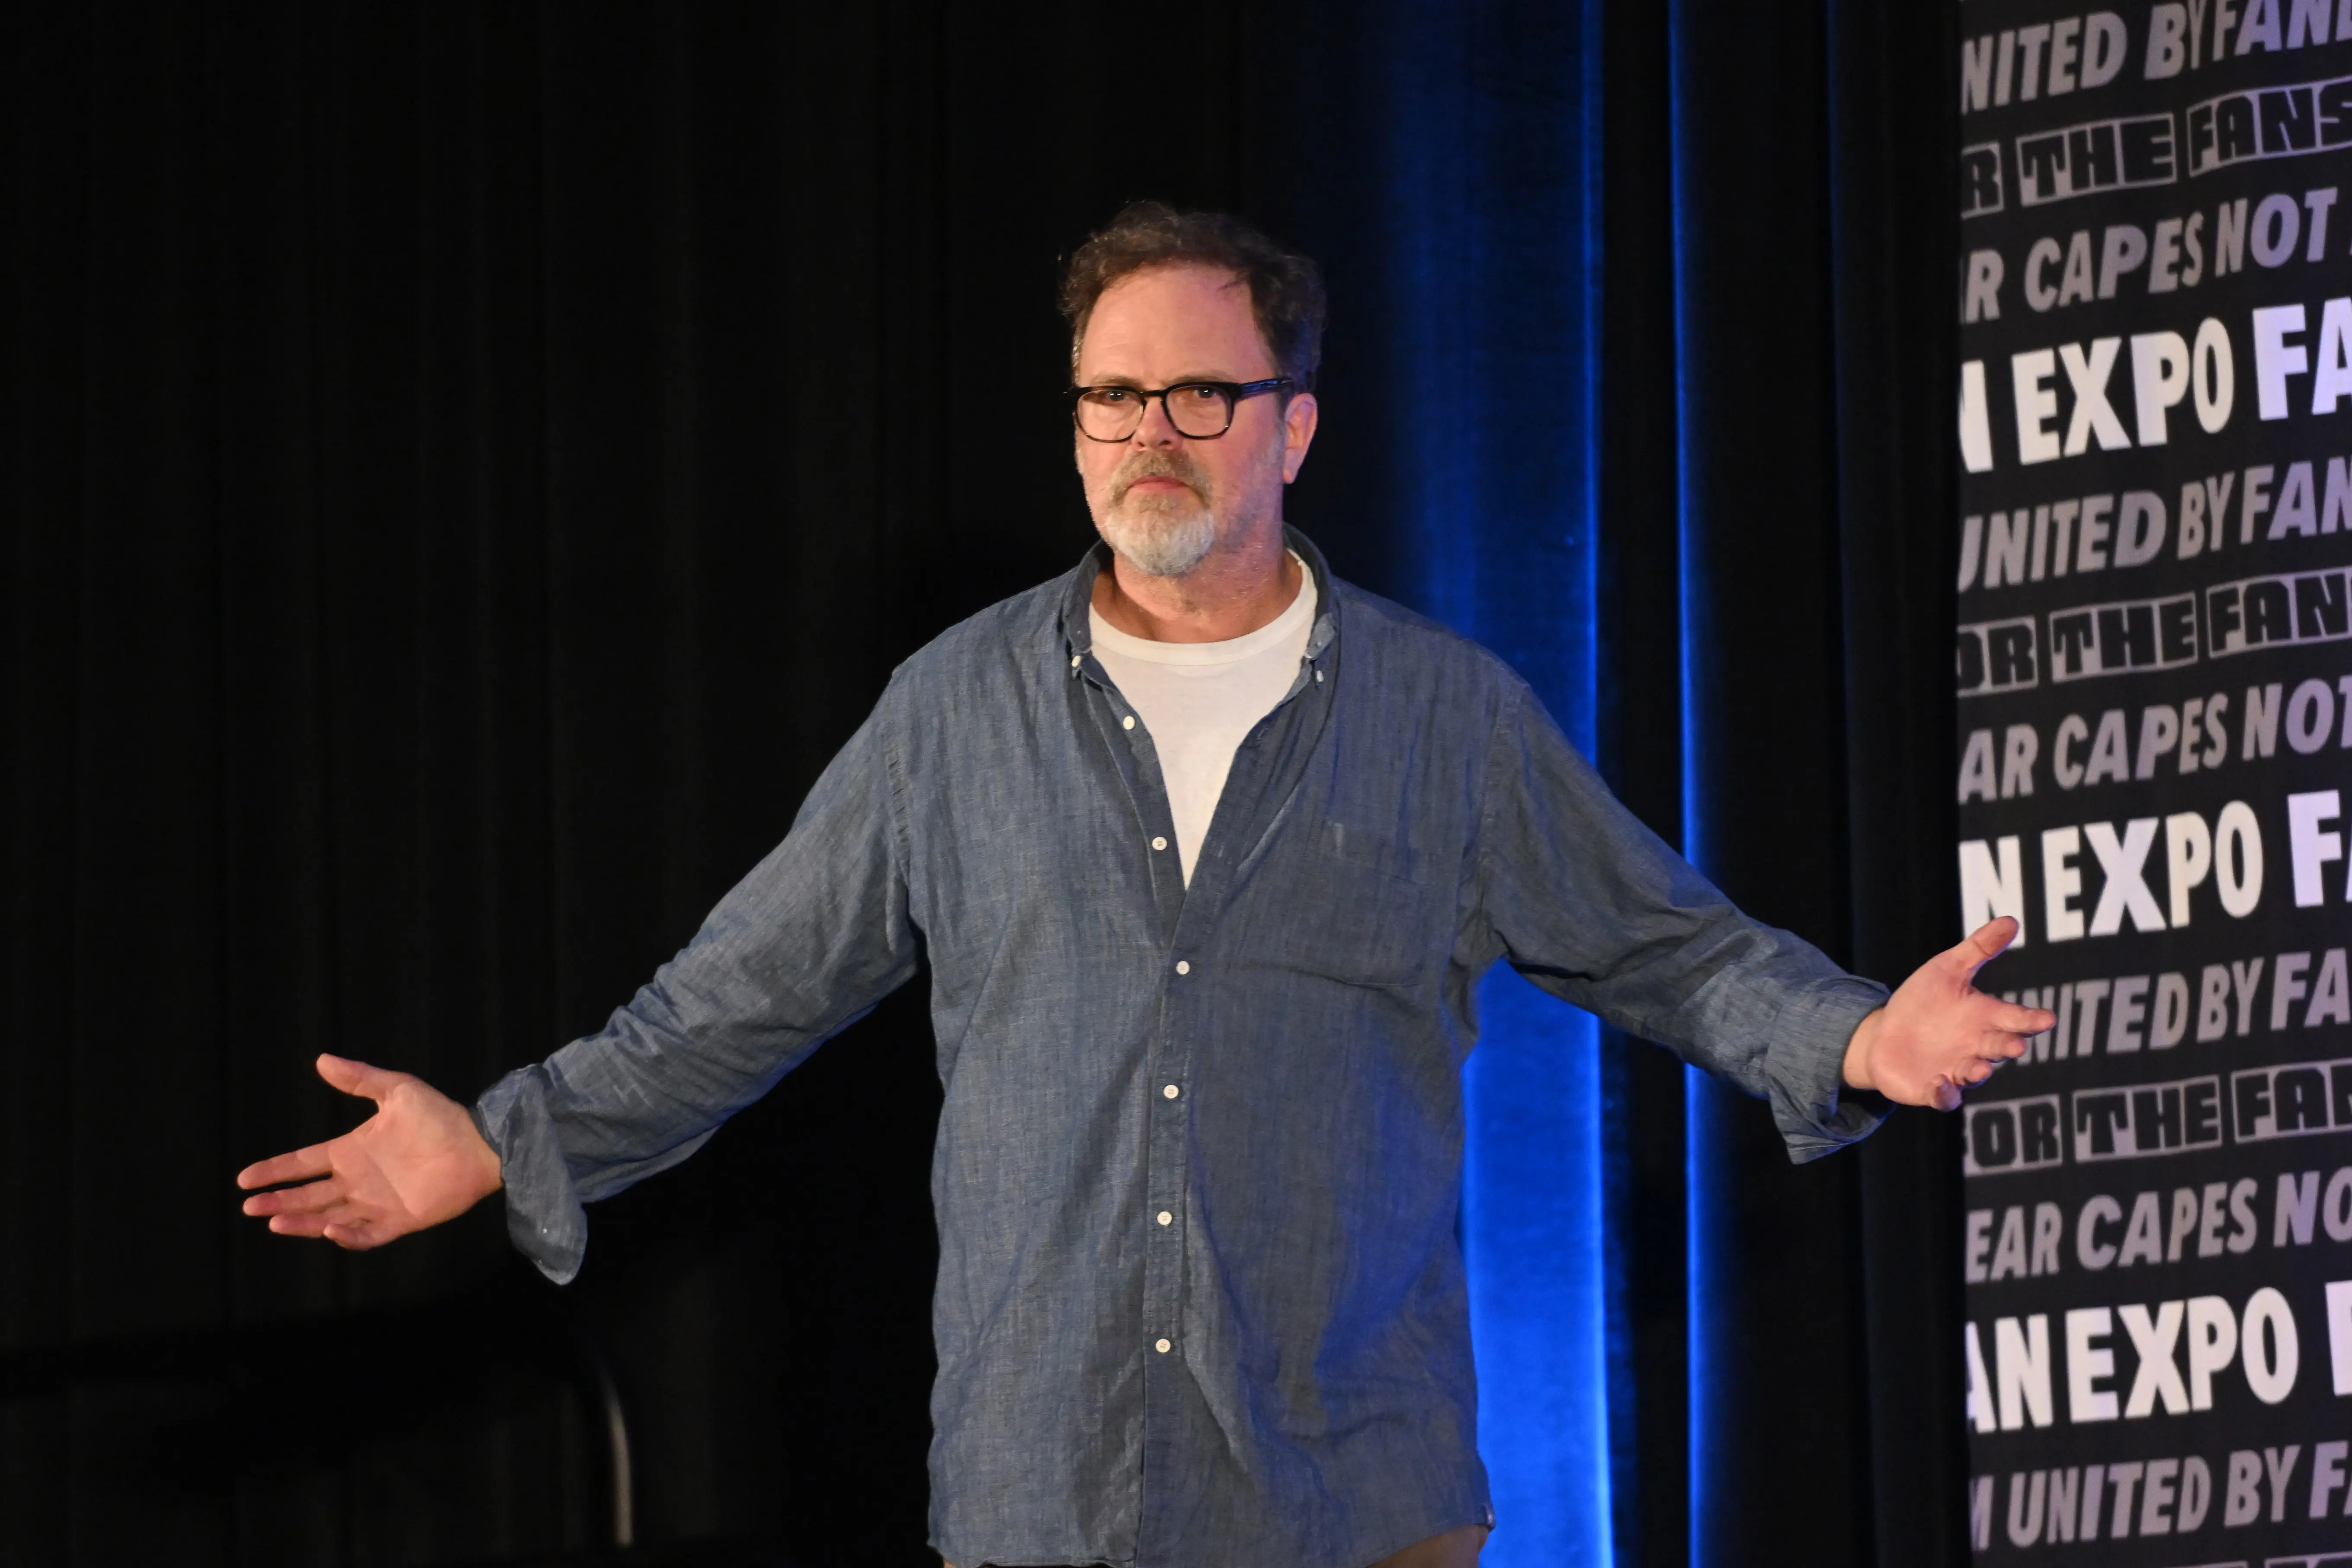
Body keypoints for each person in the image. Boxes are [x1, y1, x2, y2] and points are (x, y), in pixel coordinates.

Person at [238, 202, 2053, 1568]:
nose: (1148, 432)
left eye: (1200, 389)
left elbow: (1667, 948)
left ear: (1296, 427)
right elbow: (739, 997)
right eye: (1112, 395)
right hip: (1051, 1494)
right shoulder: (957, 714)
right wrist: (497, 1136)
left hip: (1360, 1494)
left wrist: (1854, 1039)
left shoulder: (1442, 716)